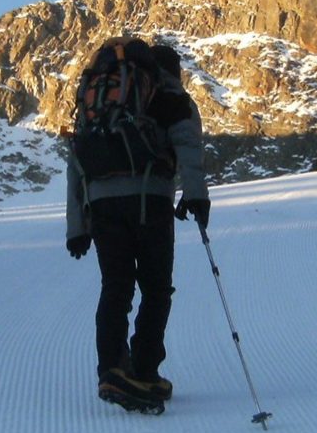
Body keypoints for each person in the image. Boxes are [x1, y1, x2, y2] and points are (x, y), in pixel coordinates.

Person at [65, 38, 210, 413]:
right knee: (156, 287)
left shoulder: (98, 98)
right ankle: (145, 371)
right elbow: (188, 145)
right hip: (149, 199)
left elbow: (77, 159)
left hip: (101, 203)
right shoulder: (171, 96)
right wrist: (196, 195)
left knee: (115, 285)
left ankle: (111, 369)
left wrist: (77, 226)